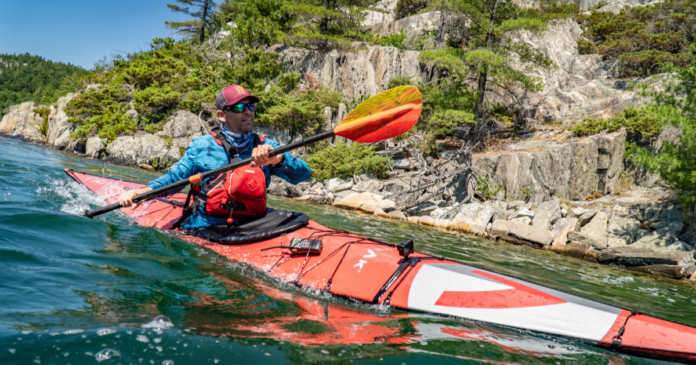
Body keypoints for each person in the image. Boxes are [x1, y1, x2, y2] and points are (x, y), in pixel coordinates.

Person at [118, 84, 311, 229]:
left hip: (254, 222)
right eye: (238, 108)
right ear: (221, 115)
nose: (247, 112)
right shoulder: (202, 146)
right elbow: (174, 179)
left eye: (250, 107)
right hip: (207, 223)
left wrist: (278, 160)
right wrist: (144, 191)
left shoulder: (266, 146)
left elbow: (304, 174)